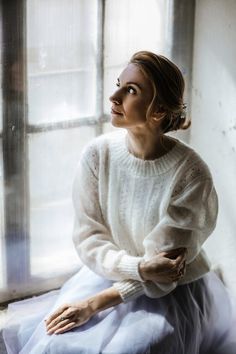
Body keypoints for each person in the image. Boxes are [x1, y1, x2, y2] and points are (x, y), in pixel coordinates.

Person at [3, 51, 236, 354]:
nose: (113, 97)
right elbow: (89, 237)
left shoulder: (191, 174)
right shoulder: (98, 155)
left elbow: (164, 273)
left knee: (136, 349)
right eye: (118, 84)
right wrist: (137, 267)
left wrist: (94, 304)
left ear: (159, 110)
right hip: (108, 273)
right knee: (54, 342)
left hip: (169, 296)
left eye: (131, 90)